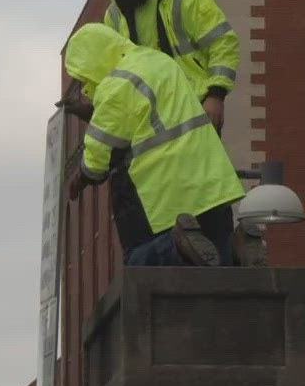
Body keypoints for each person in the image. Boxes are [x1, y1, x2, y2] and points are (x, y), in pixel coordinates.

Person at [62, 22, 245, 266]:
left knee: (139, 261)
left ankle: (175, 247)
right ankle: (238, 247)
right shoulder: (159, 61)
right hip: (211, 180)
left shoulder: (116, 85)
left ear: (90, 62)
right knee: (216, 261)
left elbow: (98, 155)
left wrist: (82, 176)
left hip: (166, 189)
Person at [99, 0, 240, 133]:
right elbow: (113, 71)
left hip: (194, 109)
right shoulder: (114, 15)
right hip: (146, 121)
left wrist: (216, 95)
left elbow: (222, 43)